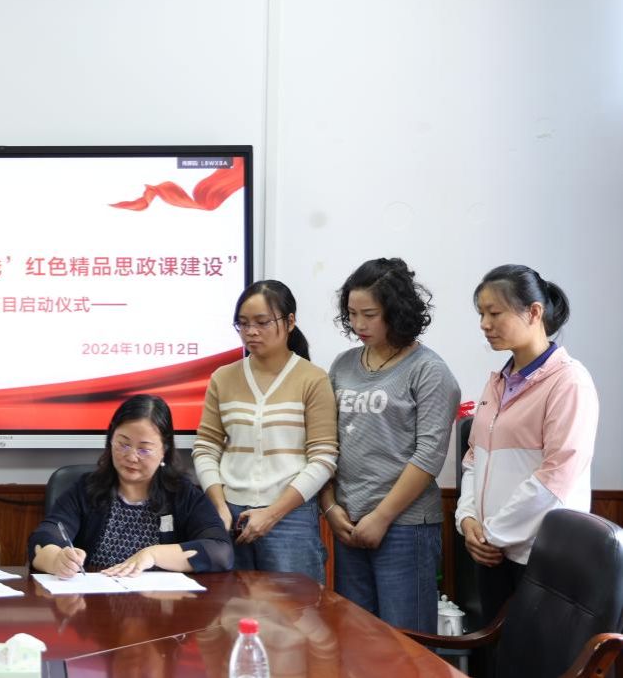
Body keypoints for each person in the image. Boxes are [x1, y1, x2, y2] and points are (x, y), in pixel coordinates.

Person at [319, 258, 459, 633]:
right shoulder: (343, 365)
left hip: (405, 527)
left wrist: (381, 517)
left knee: (405, 644)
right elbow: (324, 440)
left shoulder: (428, 370)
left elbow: (429, 455)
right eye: (352, 314)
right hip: (348, 522)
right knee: (355, 638)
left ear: (396, 312)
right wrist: (330, 507)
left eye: (369, 314)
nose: (358, 325)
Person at [456, 264, 598, 620]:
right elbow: (473, 458)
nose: (484, 324)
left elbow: (557, 477)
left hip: (543, 556)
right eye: (481, 314)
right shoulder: (497, 382)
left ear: (534, 312)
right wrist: (467, 519)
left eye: (494, 313)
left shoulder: (569, 382)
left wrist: (493, 533)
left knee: (538, 651)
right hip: (491, 552)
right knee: (494, 647)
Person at [192, 279, 338, 584]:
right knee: (231, 604)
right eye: (243, 323)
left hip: (290, 518)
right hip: (230, 514)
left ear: (290, 322)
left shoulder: (313, 379)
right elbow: (206, 447)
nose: (251, 332)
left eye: (262, 322)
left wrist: (272, 513)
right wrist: (219, 506)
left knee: (296, 608)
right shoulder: (223, 378)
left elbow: (324, 458)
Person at [29, 394, 233, 579]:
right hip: (94, 601)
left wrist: (153, 554)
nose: (131, 457)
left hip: (162, 604)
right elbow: (44, 538)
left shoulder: (183, 495)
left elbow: (221, 552)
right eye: (123, 444)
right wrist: (57, 559)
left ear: (164, 450)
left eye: (144, 450)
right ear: (110, 440)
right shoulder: (86, 489)